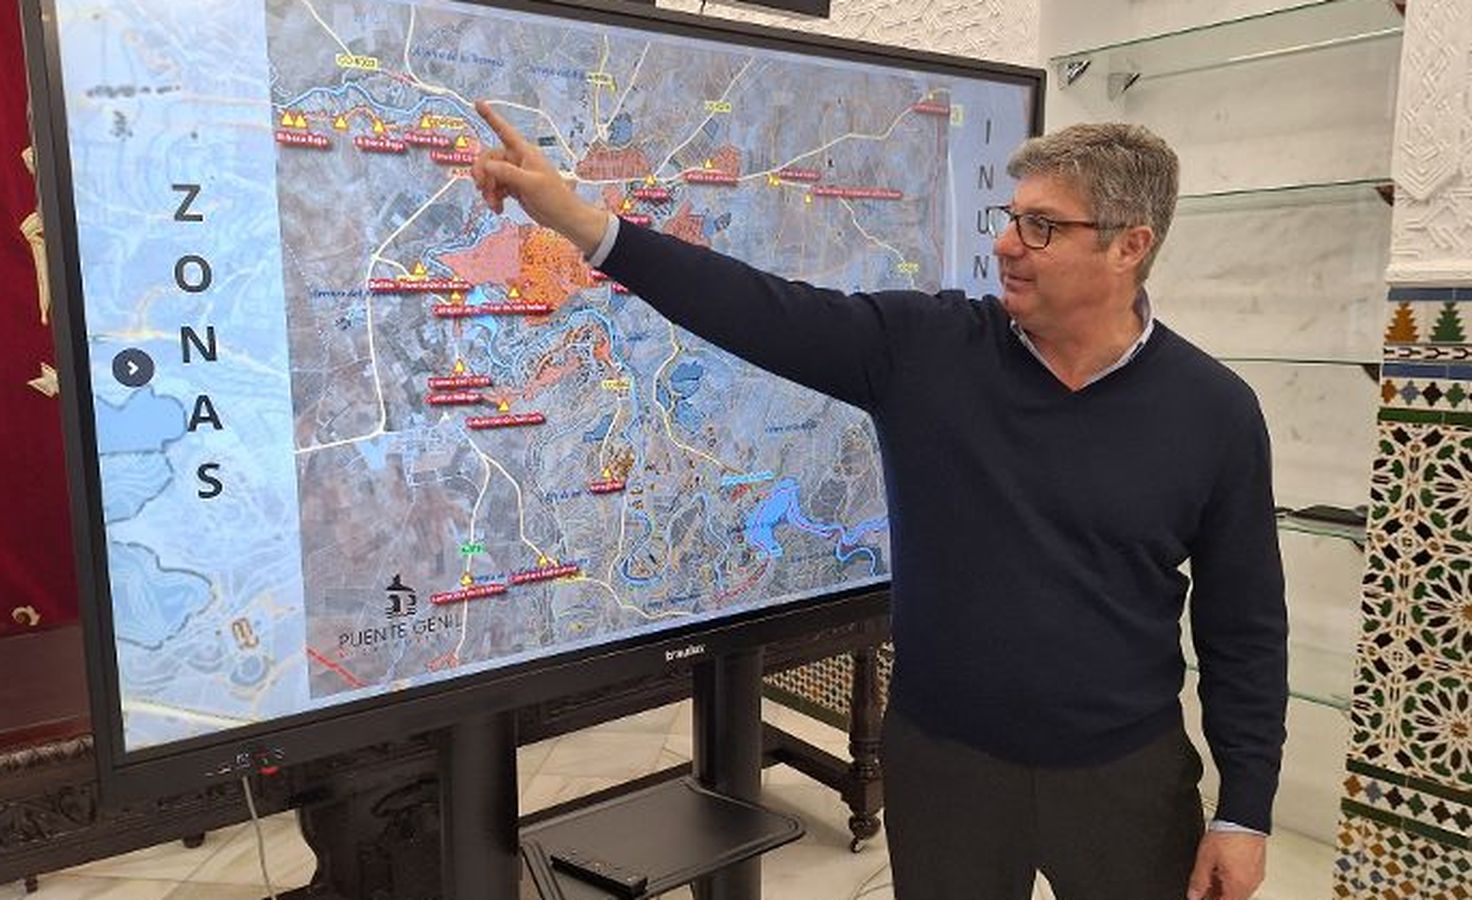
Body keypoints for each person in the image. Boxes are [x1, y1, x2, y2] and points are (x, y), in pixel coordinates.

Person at [470, 100, 1287, 900]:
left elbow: (1244, 628)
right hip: (946, 767)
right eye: (1011, 217)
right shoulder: (925, 352)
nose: (1006, 243)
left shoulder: (1214, 411)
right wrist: (582, 222)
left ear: (1129, 248)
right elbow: (756, 306)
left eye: (1043, 226)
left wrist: (1244, 812)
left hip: (1128, 779)